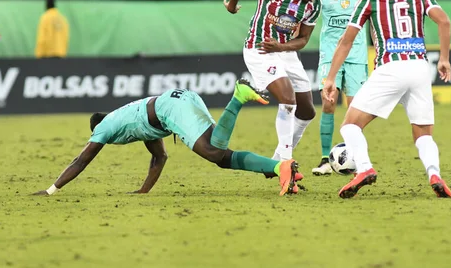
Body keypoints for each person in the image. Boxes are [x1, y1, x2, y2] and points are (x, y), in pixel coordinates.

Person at [322, 0, 451, 199]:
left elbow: (346, 41)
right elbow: (444, 22)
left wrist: (330, 77)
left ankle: (364, 168)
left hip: (390, 68)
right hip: (419, 67)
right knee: (423, 134)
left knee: (350, 125)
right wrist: (444, 58)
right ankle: (434, 174)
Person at [32, 80, 301, 197]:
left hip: (169, 108)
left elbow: (81, 160)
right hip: (178, 100)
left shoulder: (104, 127)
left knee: (210, 151)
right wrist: (143, 191)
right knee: (221, 157)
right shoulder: (131, 122)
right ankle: (279, 167)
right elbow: (159, 156)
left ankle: (238, 97)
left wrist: (51, 189)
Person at [224, 0, 332, 162]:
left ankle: (276, 159)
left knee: (307, 112)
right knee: (288, 99)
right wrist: (231, 5)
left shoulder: (313, 5)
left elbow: (304, 39)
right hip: (260, 49)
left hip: (285, 51)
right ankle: (285, 161)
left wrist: (282, 47)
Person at [312, 0, 373, 176]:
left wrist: (377, 48)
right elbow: (308, 15)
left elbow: (374, 26)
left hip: (357, 59)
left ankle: (356, 159)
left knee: (355, 110)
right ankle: (325, 159)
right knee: (328, 103)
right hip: (330, 57)